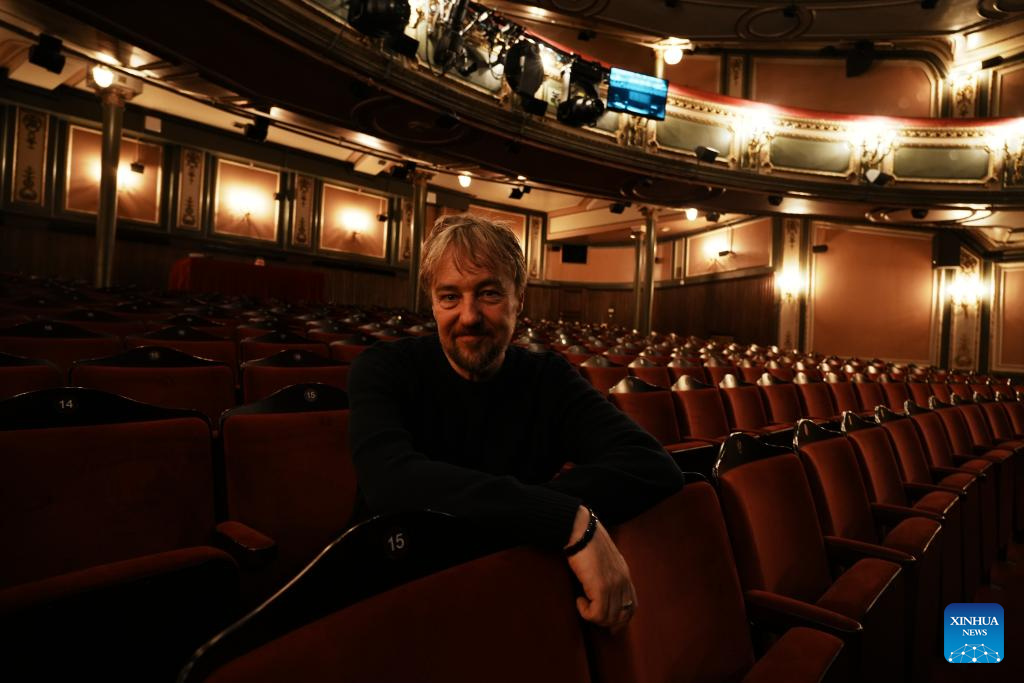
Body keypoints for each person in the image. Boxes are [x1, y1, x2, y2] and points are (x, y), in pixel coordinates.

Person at [348, 213, 684, 629]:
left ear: (518, 298)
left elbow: (652, 466)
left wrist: (539, 511)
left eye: (488, 293)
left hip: (508, 587)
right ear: (432, 302)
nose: (468, 316)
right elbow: (389, 482)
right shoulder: (383, 368)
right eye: (449, 297)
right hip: (390, 587)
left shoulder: (549, 378)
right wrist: (565, 518)